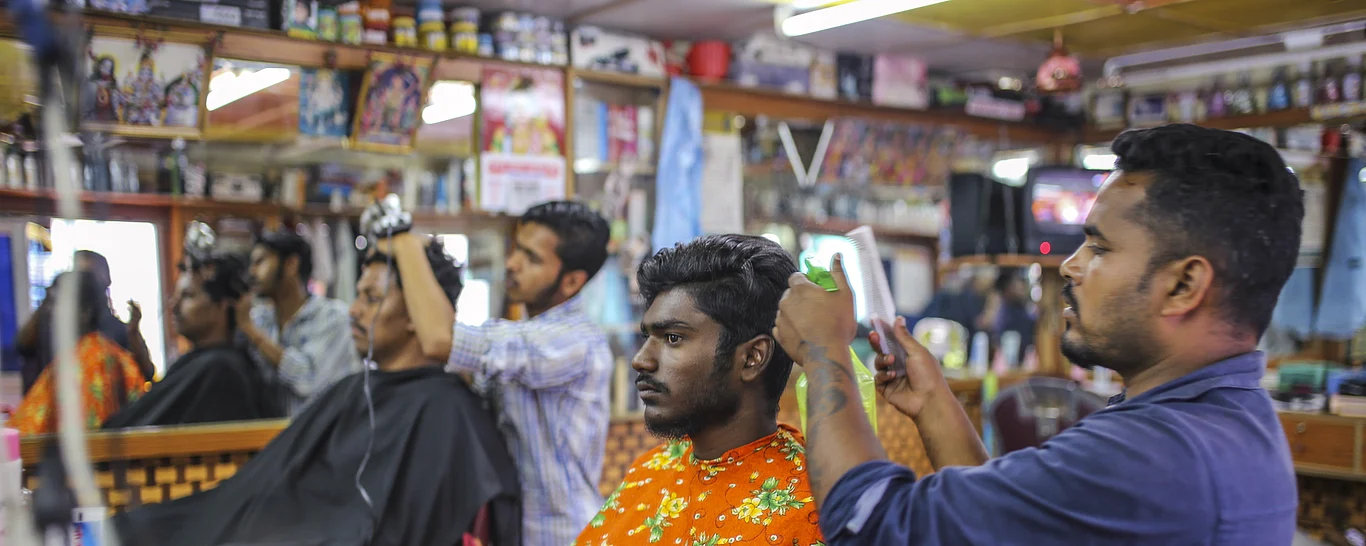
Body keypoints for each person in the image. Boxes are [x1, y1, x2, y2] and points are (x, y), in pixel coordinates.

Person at [772, 124, 1302, 545]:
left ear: (1185, 284)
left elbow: (874, 527)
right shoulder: (1228, 420)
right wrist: (935, 404)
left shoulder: (1153, 456)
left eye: (1099, 248)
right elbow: (996, 529)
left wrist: (824, 352)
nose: (1070, 266)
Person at [114, 231, 522, 545]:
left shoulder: (446, 412)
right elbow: (273, 489)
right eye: (358, 296)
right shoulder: (356, 390)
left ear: (418, 313)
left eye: (371, 298)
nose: (355, 310)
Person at [575, 234, 824, 546]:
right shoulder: (650, 470)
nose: (641, 360)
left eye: (673, 338)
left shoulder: (815, 509)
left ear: (751, 358)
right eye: (647, 337)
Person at [439, 200, 613, 545]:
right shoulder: (528, 334)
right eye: (516, 249)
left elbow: (444, 342)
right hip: (517, 530)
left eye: (532, 258)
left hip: (564, 535)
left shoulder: (575, 342)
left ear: (572, 281)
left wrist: (404, 244)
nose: (512, 264)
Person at [103, 252, 284, 429]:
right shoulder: (205, 361)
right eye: (175, 296)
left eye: (188, 296)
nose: (174, 307)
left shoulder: (220, 369)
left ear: (222, 305)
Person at [238, 230, 360, 415]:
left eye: (260, 261)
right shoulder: (259, 319)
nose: (252, 272)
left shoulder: (333, 318)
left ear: (291, 264)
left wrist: (253, 334)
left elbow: (309, 382)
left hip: (319, 440)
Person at [8, 271, 146, 434]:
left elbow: (26, 433)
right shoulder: (119, 357)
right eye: (48, 304)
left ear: (84, 312)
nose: (49, 312)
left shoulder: (73, 366)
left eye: (56, 303)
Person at [16, 250, 153, 393]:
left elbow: (146, 372)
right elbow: (23, 346)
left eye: (88, 277)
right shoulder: (49, 323)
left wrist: (134, 334)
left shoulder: (113, 330)